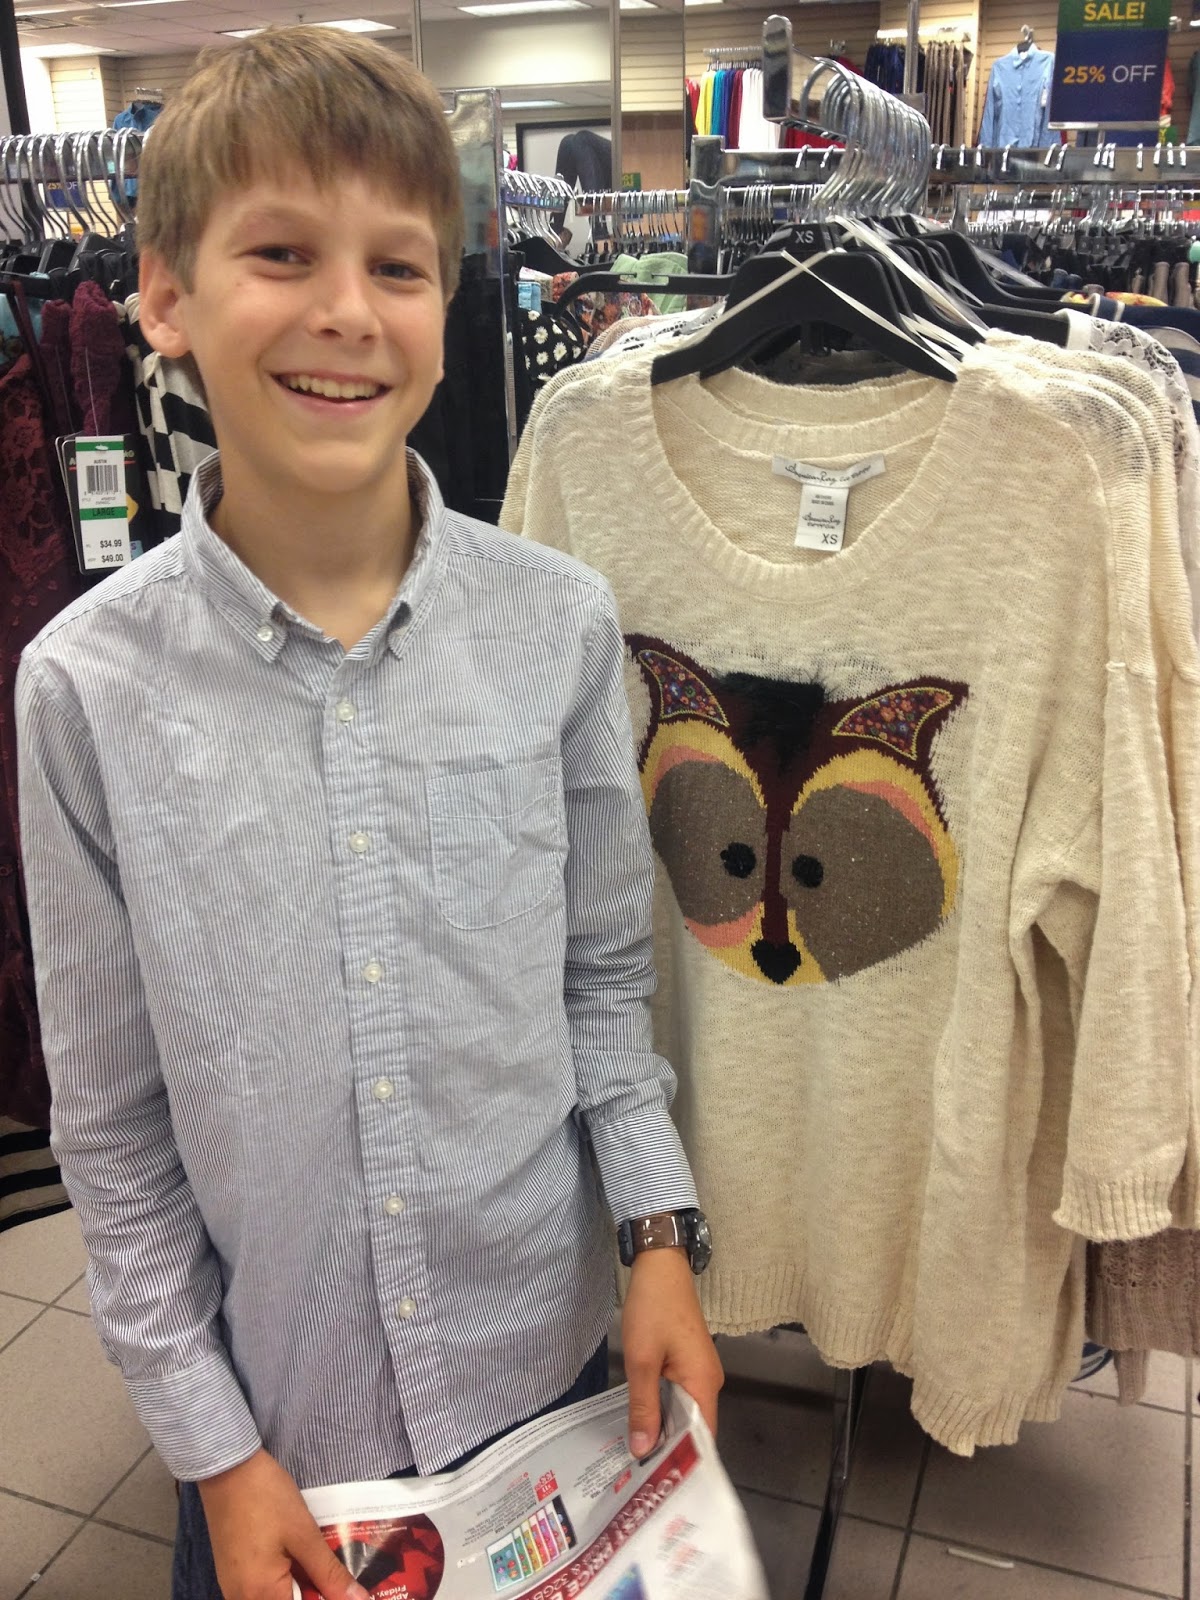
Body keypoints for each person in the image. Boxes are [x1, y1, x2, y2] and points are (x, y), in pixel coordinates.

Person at [15, 28, 722, 1600]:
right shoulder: (84, 691)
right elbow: (113, 1124)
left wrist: (658, 1235)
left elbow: (603, 976)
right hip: (282, 1429)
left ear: (446, 313)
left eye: (397, 268)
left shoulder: (558, 627)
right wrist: (212, 1449)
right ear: (166, 295)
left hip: (548, 1377)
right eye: (281, 253)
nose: (346, 310)